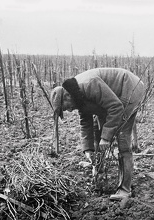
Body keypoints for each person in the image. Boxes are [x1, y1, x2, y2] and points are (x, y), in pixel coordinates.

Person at [50, 68, 145, 200]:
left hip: (128, 88)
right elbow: (85, 122)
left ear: (67, 96)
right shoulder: (76, 94)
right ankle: (99, 176)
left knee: (122, 137)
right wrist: (88, 149)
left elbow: (116, 107)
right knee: (97, 128)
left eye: (66, 107)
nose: (70, 110)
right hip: (114, 98)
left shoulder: (89, 84)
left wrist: (106, 138)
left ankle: (125, 190)